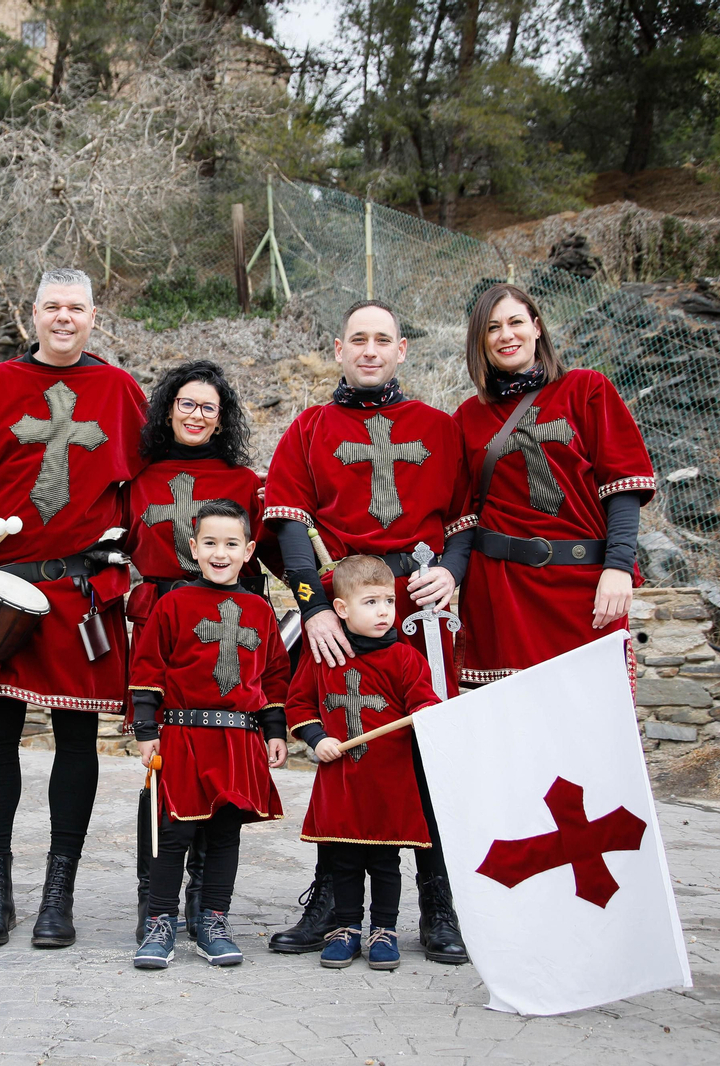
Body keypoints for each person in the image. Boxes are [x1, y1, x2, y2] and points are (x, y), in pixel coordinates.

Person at [0, 267, 147, 948]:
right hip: (2, 589)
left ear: (93, 316)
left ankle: (58, 898)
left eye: (75, 307)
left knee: (76, 740)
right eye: (52, 306)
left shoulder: (120, 391)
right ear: (33, 314)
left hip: (81, 594)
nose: (63, 318)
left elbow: (152, 487)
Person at [262, 299, 470, 964]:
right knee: (343, 756)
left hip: (420, 612)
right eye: (358, 339)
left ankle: (438, 906)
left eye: (383, 339)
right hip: (342, 615)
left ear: (402, 349)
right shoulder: (309, 429)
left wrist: (453, 573)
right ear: (339, 348)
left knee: (426, 752)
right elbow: (290, 528)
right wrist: (314, 607)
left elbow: (465, 521)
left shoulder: (439, 428)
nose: (370, 350)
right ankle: (331, 904)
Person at [121, 359, 266, 942]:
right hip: (162, 628)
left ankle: (206, 902)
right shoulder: (138, 478)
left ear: (222, 417)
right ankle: (153, 900)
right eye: (187, 404)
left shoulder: (244, 482)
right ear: (168, 410)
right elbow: (112, 544)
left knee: (219, 772)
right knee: (163, 770)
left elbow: (268, 555)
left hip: (225, 633)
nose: (197, 415)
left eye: (209, 407)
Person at [451, 283, 655, 689]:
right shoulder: (468, 417)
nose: (506, 335)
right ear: (480, 341)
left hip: (582, 586)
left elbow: (623, 485)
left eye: (515, 322)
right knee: (513, 719)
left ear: (537, 327)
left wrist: (618, 567)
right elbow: (463, 514)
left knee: (592, 710)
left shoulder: (587, 389)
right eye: (492, 328)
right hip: (502, 593)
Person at [128, 500, 290, 969]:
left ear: (249, 551)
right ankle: (160, 923)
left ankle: (213, 921)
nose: (221, 553)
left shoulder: (260, 610)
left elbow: (274, 676)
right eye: (211, 543)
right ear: (194, 547)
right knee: (173, 832)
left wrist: (274, 730)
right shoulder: (173, 604)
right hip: (183, 735)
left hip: (239, 738)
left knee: (224, 833)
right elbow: (148, 666)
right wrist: (146, 727)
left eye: (232, 544)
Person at [284, 555, 441, 971]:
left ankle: (384, 930)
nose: (383, 611)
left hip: (388, 780)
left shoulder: (406, 659)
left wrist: (426, 714)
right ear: (341, 608)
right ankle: (346, 929)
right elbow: (299, 705)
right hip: (342, 777)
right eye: (370, 602)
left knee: (386, 861)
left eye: (388, 601)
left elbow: (424, 702)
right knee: (345, 860)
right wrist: (318, 739)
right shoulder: (323, 657)